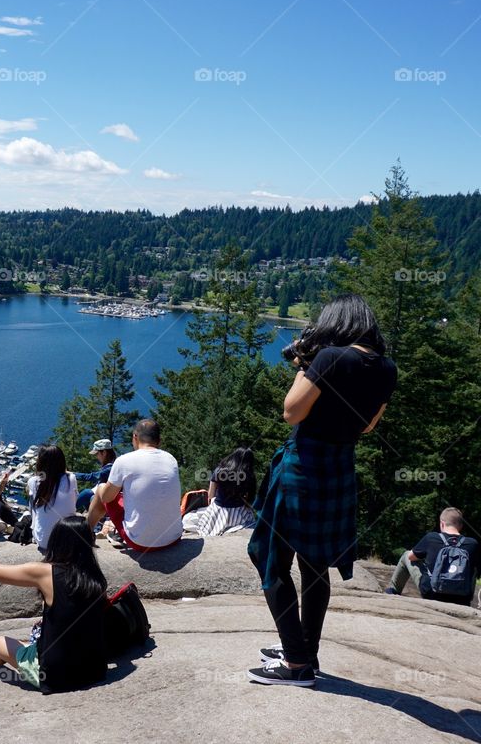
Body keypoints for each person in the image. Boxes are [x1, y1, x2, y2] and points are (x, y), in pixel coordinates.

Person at [247, 294, 397, 687]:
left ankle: (296, 664)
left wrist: (305, 364)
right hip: (339, 468)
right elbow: (368, 426)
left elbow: (291, 411)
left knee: (268, 558)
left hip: (303, 467)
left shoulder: (330, 357)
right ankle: (304, 653)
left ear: (337, 322)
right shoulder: (386, 368)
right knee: (314, 567)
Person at [0, 516, 107, 693]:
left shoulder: (45, 572)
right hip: (93, 671)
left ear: (57, 542)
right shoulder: (96, 578)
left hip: (56, 677)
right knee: (41, 629)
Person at [86, 419, 182, 552]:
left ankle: (85, 534)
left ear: (135, 437)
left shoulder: (124, 461)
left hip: (140, 542)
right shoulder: (171, 459)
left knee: (102, 489)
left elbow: (107, 498)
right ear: (159, 440)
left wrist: (104, 489)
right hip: (174, 537)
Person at [386, 507, 480, 606]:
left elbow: (411, 558)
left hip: (432, 593)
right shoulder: (472, 544)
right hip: (462, 599)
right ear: (461, 525)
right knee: (474, 568)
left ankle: (392, 591)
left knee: (406, 555)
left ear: (442, 523)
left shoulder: (431, 538)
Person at [182, 447, 257, 537]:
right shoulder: (250, 476)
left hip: (218, 510)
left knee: (189, 519)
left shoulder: (219, 471)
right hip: (239, 513)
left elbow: (210, 495)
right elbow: (249, 499)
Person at [27, 445, 78, 554]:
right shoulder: (71, 479)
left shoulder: (34, 482)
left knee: (33, 500)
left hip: (43, 541)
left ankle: (33, 527)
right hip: (67, 540)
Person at [75, 439, 116, 513]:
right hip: (106, 497)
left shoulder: (110, 468)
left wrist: (72, 474)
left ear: (104, 452)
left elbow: (92, 476)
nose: (96, 457)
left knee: (87, 493)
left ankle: (67, 509)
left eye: (97, 454)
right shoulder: (112, 465)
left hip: (106, 499)